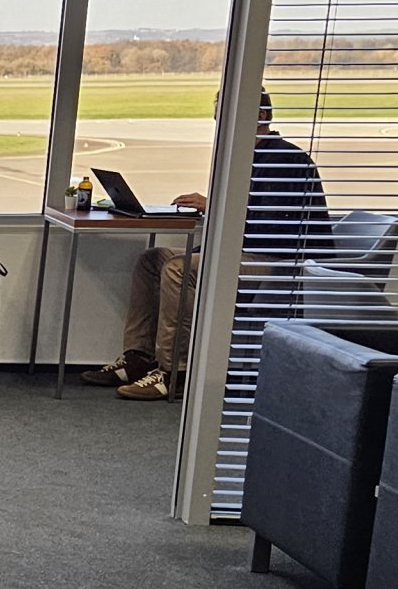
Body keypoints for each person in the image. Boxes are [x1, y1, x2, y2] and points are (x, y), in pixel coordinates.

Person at [84, 91, 328, 402]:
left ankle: (176, 372)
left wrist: (214, 206)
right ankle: (138, 358)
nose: (221, 123)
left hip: (276, 261)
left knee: (179, 270)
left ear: (260, 117)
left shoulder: (286, 160)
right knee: (151, 261)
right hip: (241, 252)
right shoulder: (244, 158)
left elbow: (273, 224)